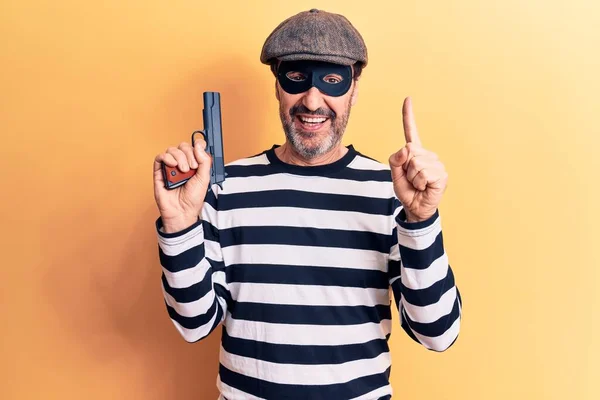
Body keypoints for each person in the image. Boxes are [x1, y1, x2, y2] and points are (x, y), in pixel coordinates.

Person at [152, 8, 461, 400]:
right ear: (277, 86)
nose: (312, 100)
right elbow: (193, 323)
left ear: (353, 88)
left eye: (332, 81)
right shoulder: (225, 187)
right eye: (296, 78)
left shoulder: (391, 191)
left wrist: (421, 219)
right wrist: (179, 224)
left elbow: (437, 332)